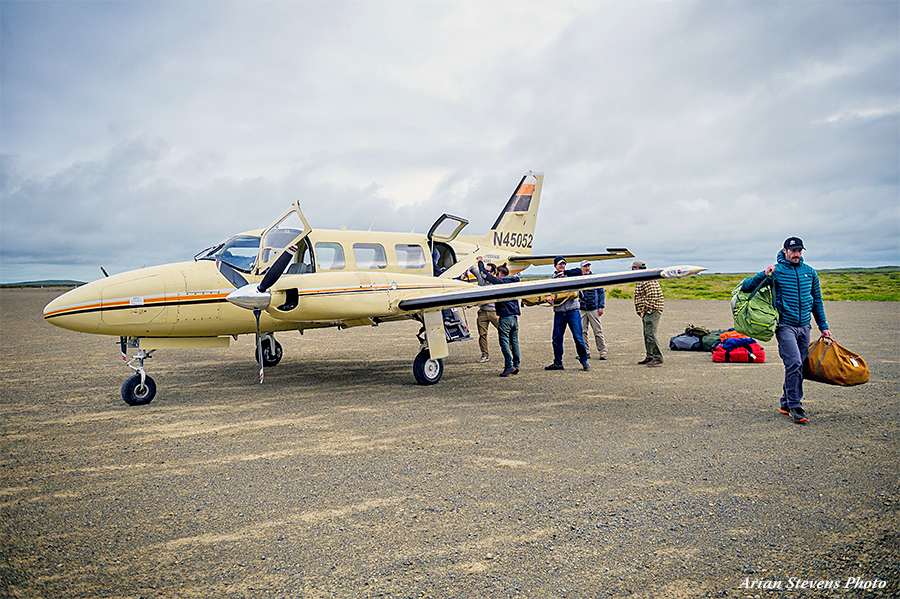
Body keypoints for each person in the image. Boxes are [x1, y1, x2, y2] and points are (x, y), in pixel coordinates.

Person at [742, 237, 831, 424]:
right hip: (785, 326)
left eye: (799, 250)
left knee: (799, 365)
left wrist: (824, 327)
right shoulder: (776, 271)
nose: (796, 254)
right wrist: (764, 274)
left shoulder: (810, 273)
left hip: (805, 326)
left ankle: (785, 403)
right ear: (785, 251)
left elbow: (817, 302)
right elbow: (746, 286)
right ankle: (795, 406)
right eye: (793, 251)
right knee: (794, 363)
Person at [544, 256, 590, 371]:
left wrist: (565, 273)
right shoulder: (552, 279)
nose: (562, 265)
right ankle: (558, 362)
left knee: (578, 337)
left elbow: (579, 271)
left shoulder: (572, 275)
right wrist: (549, 299)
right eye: (559, 264)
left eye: (564, 264)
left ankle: (584, 361)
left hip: (573, 311)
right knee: (557, 338)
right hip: (559, 312)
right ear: (555, 266)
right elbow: (548, 293)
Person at [477, 259, 521, 377]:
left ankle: (508, 365)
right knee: (514, 342)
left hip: (505, 317)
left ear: (500, 274)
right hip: (514, 317)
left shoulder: (500, 283)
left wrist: (480, 262)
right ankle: (516, 365)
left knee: (504, 342)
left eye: (496, 273)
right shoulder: (514, 283)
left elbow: (484, 274)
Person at [632, 259, 663, 366]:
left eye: (632, 268)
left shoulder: (648, 279)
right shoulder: (643, 278)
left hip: (652, 311)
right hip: (647, 311)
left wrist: (646, 310)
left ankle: (657, 357)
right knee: (647, 334)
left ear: (636, 269)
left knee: (650, 334)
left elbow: (652, 297)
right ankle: (649, 357)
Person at [470, 262, 500, 363]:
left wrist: (474, 303)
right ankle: (484, 354)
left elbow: (487, 297)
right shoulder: (480, 277)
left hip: (494, 312)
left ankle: (511, 352)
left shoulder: (496, 282)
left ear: (493, 273)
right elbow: (472, 268)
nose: (484, 273)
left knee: (504, 332)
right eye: (484, 270)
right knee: (482, 334)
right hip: (482, 312)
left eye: (487, 271)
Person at [578, 260, 607, 360]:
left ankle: (602, 351)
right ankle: (585, 352)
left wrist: (601, 306)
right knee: (582, 331)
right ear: (581, 268)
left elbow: (601, 293)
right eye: (585, 266)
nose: (587, 268)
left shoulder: (595, 278)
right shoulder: (578, 279)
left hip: (593, 308)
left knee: (597, 331)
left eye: (588, 266)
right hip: (581, 309)